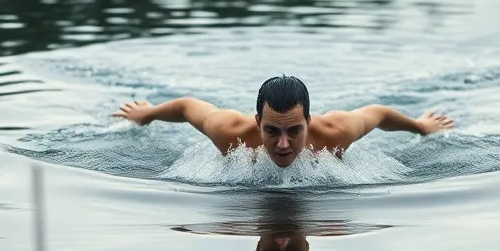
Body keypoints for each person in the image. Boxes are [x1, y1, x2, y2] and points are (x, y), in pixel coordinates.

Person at [112, 74, 454, 167]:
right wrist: (147, 115)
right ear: (257, 121)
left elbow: (377, 114)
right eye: (272, 131)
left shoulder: (334, 134)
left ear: (309, 120)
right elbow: (188, 107)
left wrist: (421, 126)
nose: (284, 144)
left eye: (295, 130)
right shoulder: (231, 133)